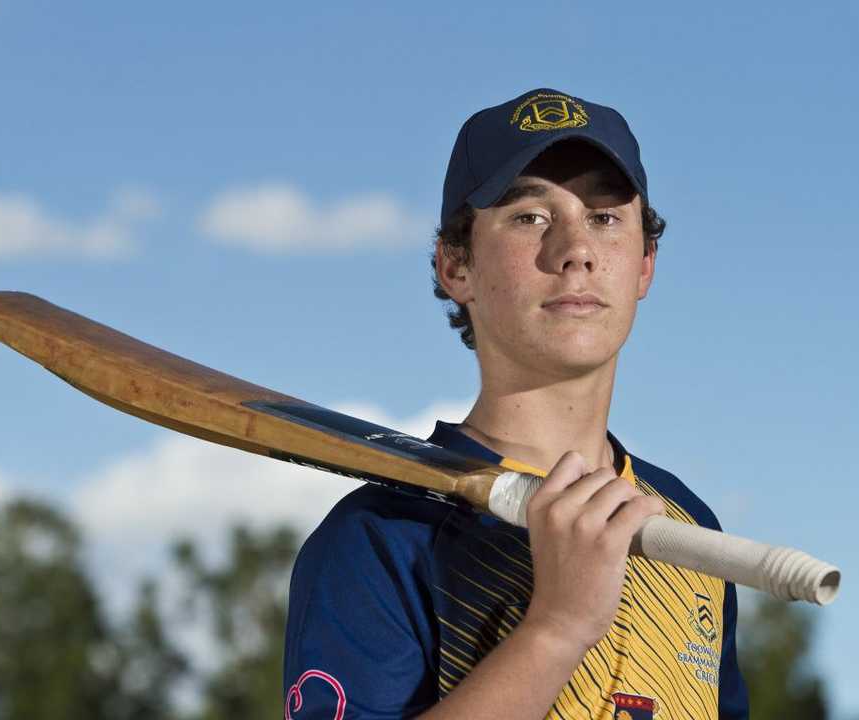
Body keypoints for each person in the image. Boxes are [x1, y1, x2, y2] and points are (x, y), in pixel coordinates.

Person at [283, 88, 749, 720]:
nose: (575, 250)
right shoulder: (384, 535)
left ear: (645, 265)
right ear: (456, 266)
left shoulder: (689, 528)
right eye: (530, 216)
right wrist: (556, 628)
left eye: (606, 217)